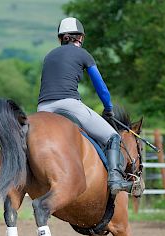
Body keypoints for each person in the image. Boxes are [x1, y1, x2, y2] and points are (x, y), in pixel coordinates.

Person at [37, 17, 132, 195]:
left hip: (43, 108)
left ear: (61, 38)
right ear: (80, 37)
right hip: (69, 104)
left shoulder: (49, 55)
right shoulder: (83, 54)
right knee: (112, 136)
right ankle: (115, 179)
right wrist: (108, 108)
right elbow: (101, 87)